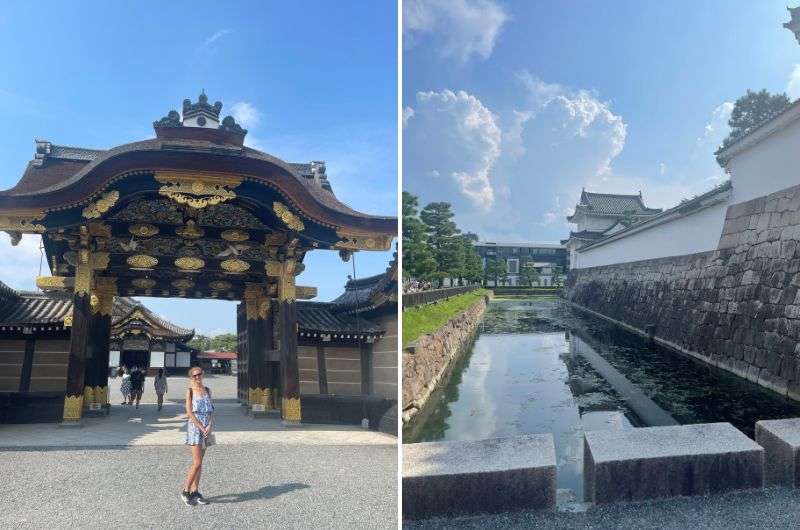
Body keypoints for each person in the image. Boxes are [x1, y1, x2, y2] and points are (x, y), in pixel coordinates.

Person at [182, 367, 214, 506]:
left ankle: (195, 491)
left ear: (203, 374)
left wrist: (210, 425)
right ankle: (185, 490)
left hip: (207, 429)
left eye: (199, 374)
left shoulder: (207, 390)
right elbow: (189, 412)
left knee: (201, 463)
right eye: (194, 375)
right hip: (195, 429)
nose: (197, 377)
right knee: (197, 463)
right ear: (191, 377)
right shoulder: (190, 391)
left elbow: (211, 410)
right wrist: (201, 427)